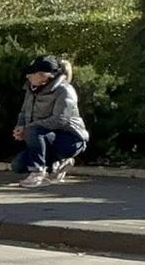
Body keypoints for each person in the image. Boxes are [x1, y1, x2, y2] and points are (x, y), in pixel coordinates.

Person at [12, 55, 88, 187]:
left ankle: (38, 174)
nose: (28, 76)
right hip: (45, 137)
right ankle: (56, 166)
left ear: (45, 75)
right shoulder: (31, 89)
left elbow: (60, 120)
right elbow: (24, 112)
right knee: (17, 166)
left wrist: (30, 128)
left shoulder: (64, 91)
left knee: (34, 129)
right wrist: (21, 126)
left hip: (70, 139)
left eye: (32, 73)